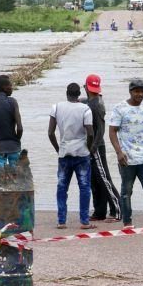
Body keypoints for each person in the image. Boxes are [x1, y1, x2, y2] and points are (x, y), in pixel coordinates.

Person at [108, 78, 143, 228]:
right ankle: (127, 222)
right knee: (126, 192)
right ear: (131, 91)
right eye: (137, 91)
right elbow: (112, 132)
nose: (140, 94)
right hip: (127, 159)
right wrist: (119, 152)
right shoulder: (120, 108)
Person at [48, 83, 96, 230]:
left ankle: (61, 221)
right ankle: (84, 221)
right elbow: (90, 133)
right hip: (81, 153)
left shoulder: (56, 107)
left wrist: (58, 148)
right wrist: (88, 147)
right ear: (79, 94)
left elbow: (50, 133)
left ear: (66, 93)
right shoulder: (85, 109)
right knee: (84, 188)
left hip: (64, 153)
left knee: (62, 187)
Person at [83, 74, 120, 222]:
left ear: (86, 87)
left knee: (104, 179)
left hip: (96, 147)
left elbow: (101, 130)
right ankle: (99, 211)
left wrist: (93, 148)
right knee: (94, 181)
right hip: (90, 147)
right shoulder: (92, 101)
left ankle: (117, 209)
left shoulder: (96, 105)